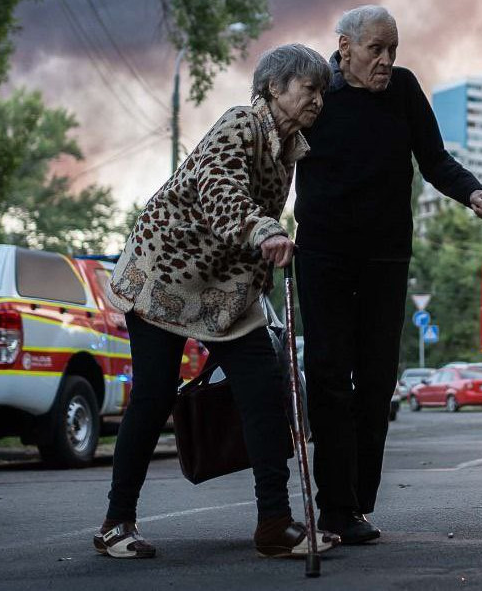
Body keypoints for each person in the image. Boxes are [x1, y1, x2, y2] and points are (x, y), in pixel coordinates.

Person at [94, 44, 339, 560]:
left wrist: (263, 256)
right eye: (308, 88)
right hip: (166, 276)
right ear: (275, 88)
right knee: (154, 395)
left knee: (265, 391)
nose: (318, 99)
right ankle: (117, 524)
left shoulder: (288, 147)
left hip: (225, 291)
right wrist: (266, 229)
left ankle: (274, 524)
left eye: (322, 91)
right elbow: (221, 191)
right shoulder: (240, 124)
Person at [294, 5, 482, 544]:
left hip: (385, 257)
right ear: (344, 47)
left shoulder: (404, 91)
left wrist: (472, 191)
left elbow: (433, 158)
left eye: (393, 50)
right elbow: (276, 154)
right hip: (323, 256)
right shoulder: (317, 94)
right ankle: (333, 506)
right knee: (329, 377)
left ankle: (358, 503)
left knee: (378, 380)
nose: (386, 61)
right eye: (375, 50)